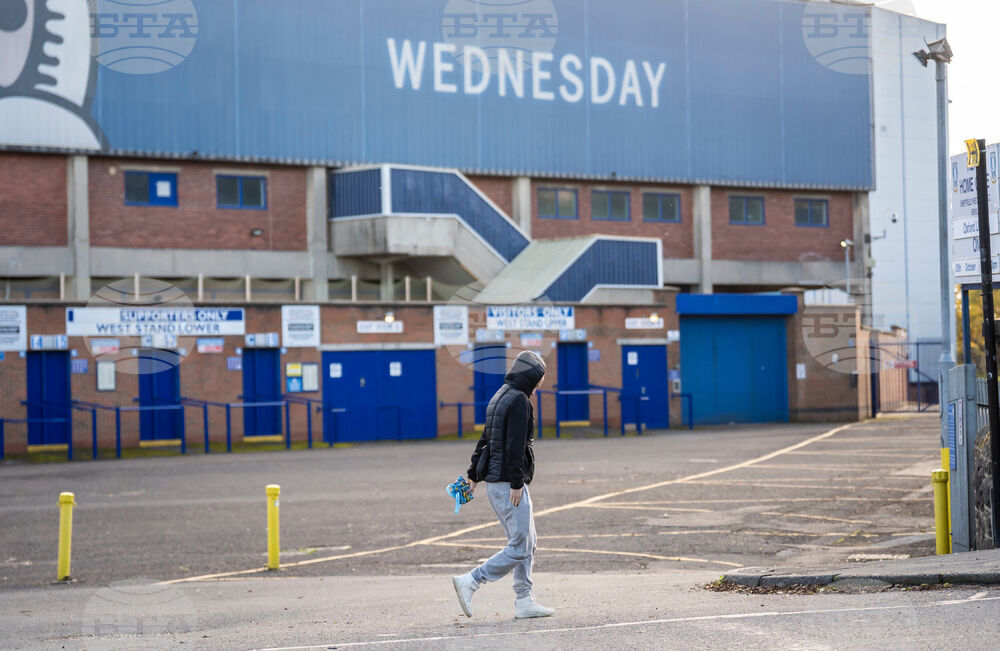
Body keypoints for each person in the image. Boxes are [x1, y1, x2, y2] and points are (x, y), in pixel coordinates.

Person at [452, 350, 555, 619]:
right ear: (533, 375)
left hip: (497, 481)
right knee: (521, 546)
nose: (541, 383)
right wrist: (517, 483)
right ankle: (472, 580)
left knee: (528, 542)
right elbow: (514, 446)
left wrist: (473, 477)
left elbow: (484, 440)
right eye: (541, 377)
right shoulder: (520, 401)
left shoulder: (500, 395)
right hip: (509, 483)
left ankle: (524, 600)